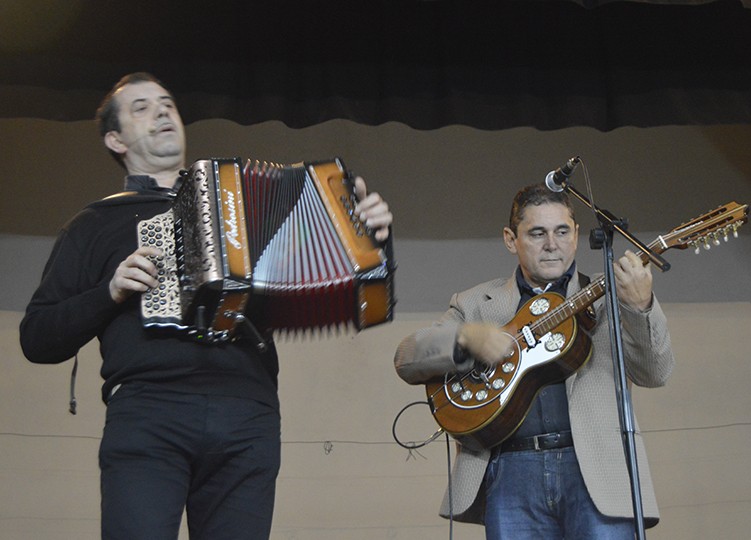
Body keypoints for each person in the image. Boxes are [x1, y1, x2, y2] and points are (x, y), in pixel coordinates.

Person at [19, 72, 393, 540]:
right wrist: (109, 291)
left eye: (167, 103)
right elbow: (37, 338)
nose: (161, 111)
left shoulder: (238, 203)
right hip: (150, 409)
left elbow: (341, 284)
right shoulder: (95, 224)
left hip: (247, 411)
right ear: (116, 139)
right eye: (141, 107)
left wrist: (365, 236)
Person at [394, 183, 674, 539]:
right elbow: (406, 358)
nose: (552, 244)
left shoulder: (614, 297)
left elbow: (656, 373)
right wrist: (466, 338)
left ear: (576, 235)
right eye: (537, 233)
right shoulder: (476, 303)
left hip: (597, 470)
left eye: (562, 232)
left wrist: (641, 306)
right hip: (510, 471)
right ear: (511, 239)